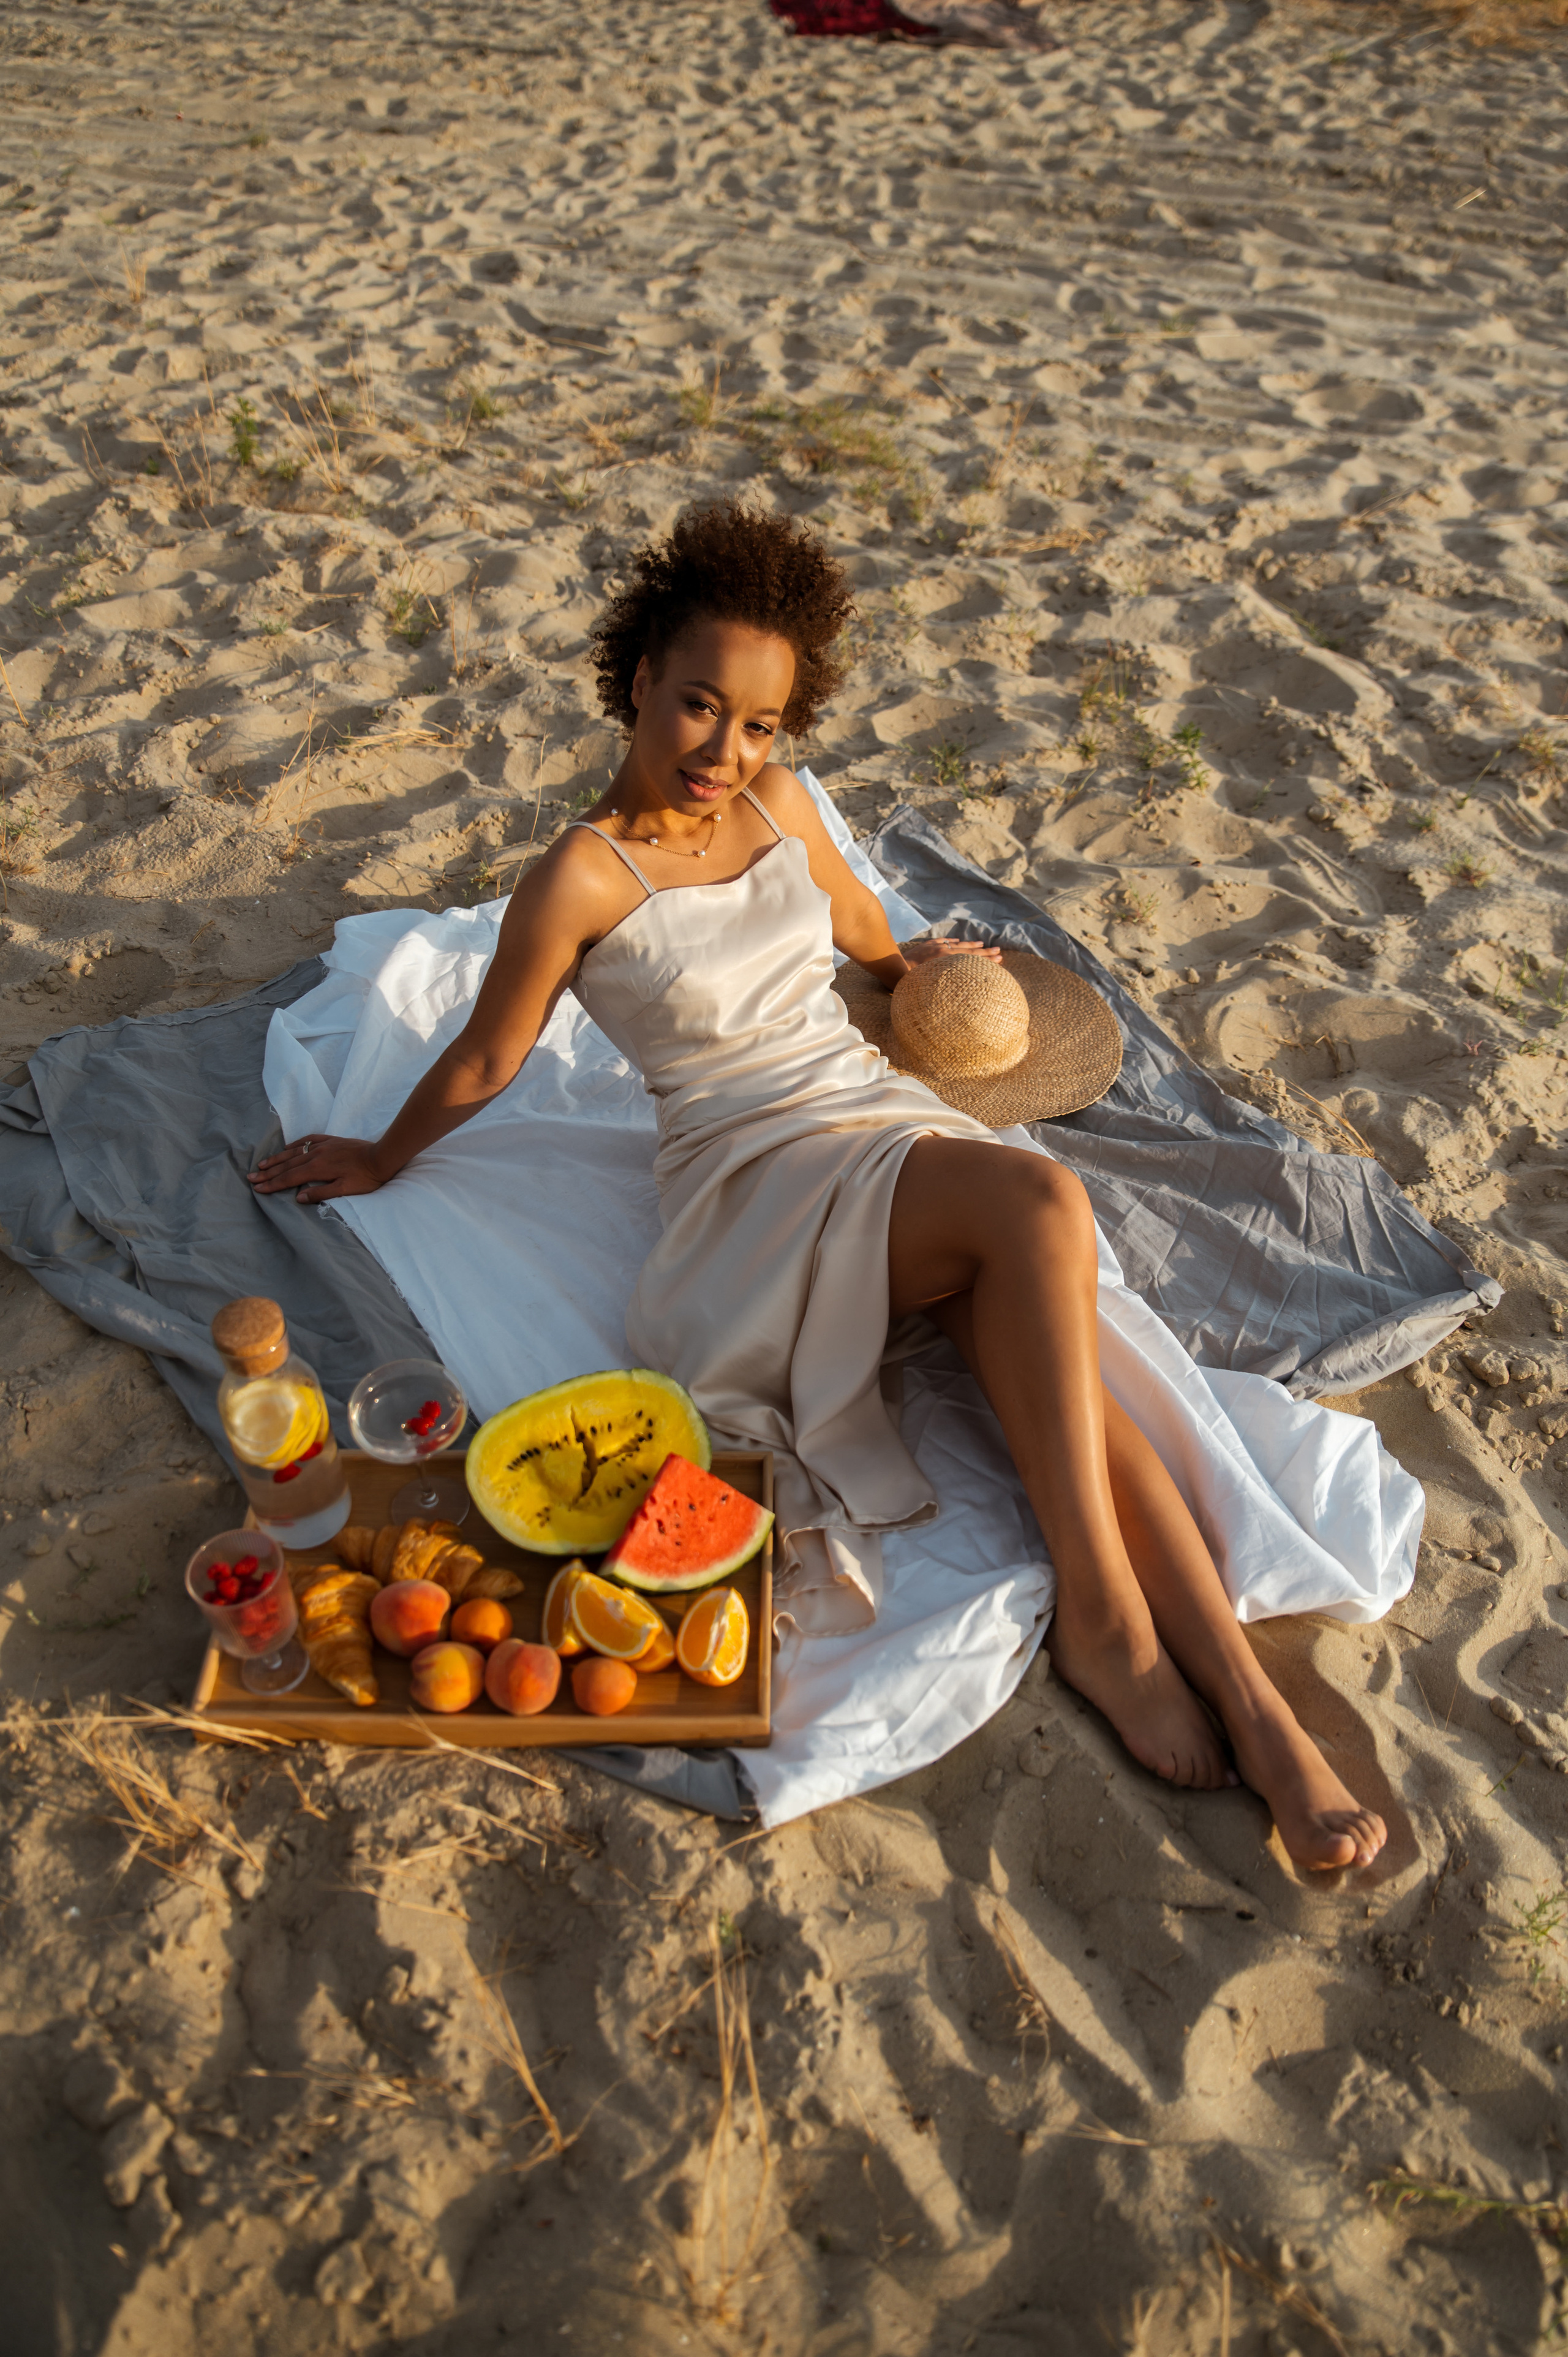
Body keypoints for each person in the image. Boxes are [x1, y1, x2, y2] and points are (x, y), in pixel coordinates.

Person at [252, 499, 1386, 1873]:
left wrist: (930, 974)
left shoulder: (782, 809)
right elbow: (490, 1054)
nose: (724, 752)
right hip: (748, 1179)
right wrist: (378, 1156)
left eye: (758, 726)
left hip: (863, 1114)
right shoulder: (581, 876)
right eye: (697, 708)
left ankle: (1260, 1712)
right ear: (636, 686)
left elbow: (867, 935)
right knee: (1038, 1213)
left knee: (1071, 1369)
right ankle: (1104, 1620)